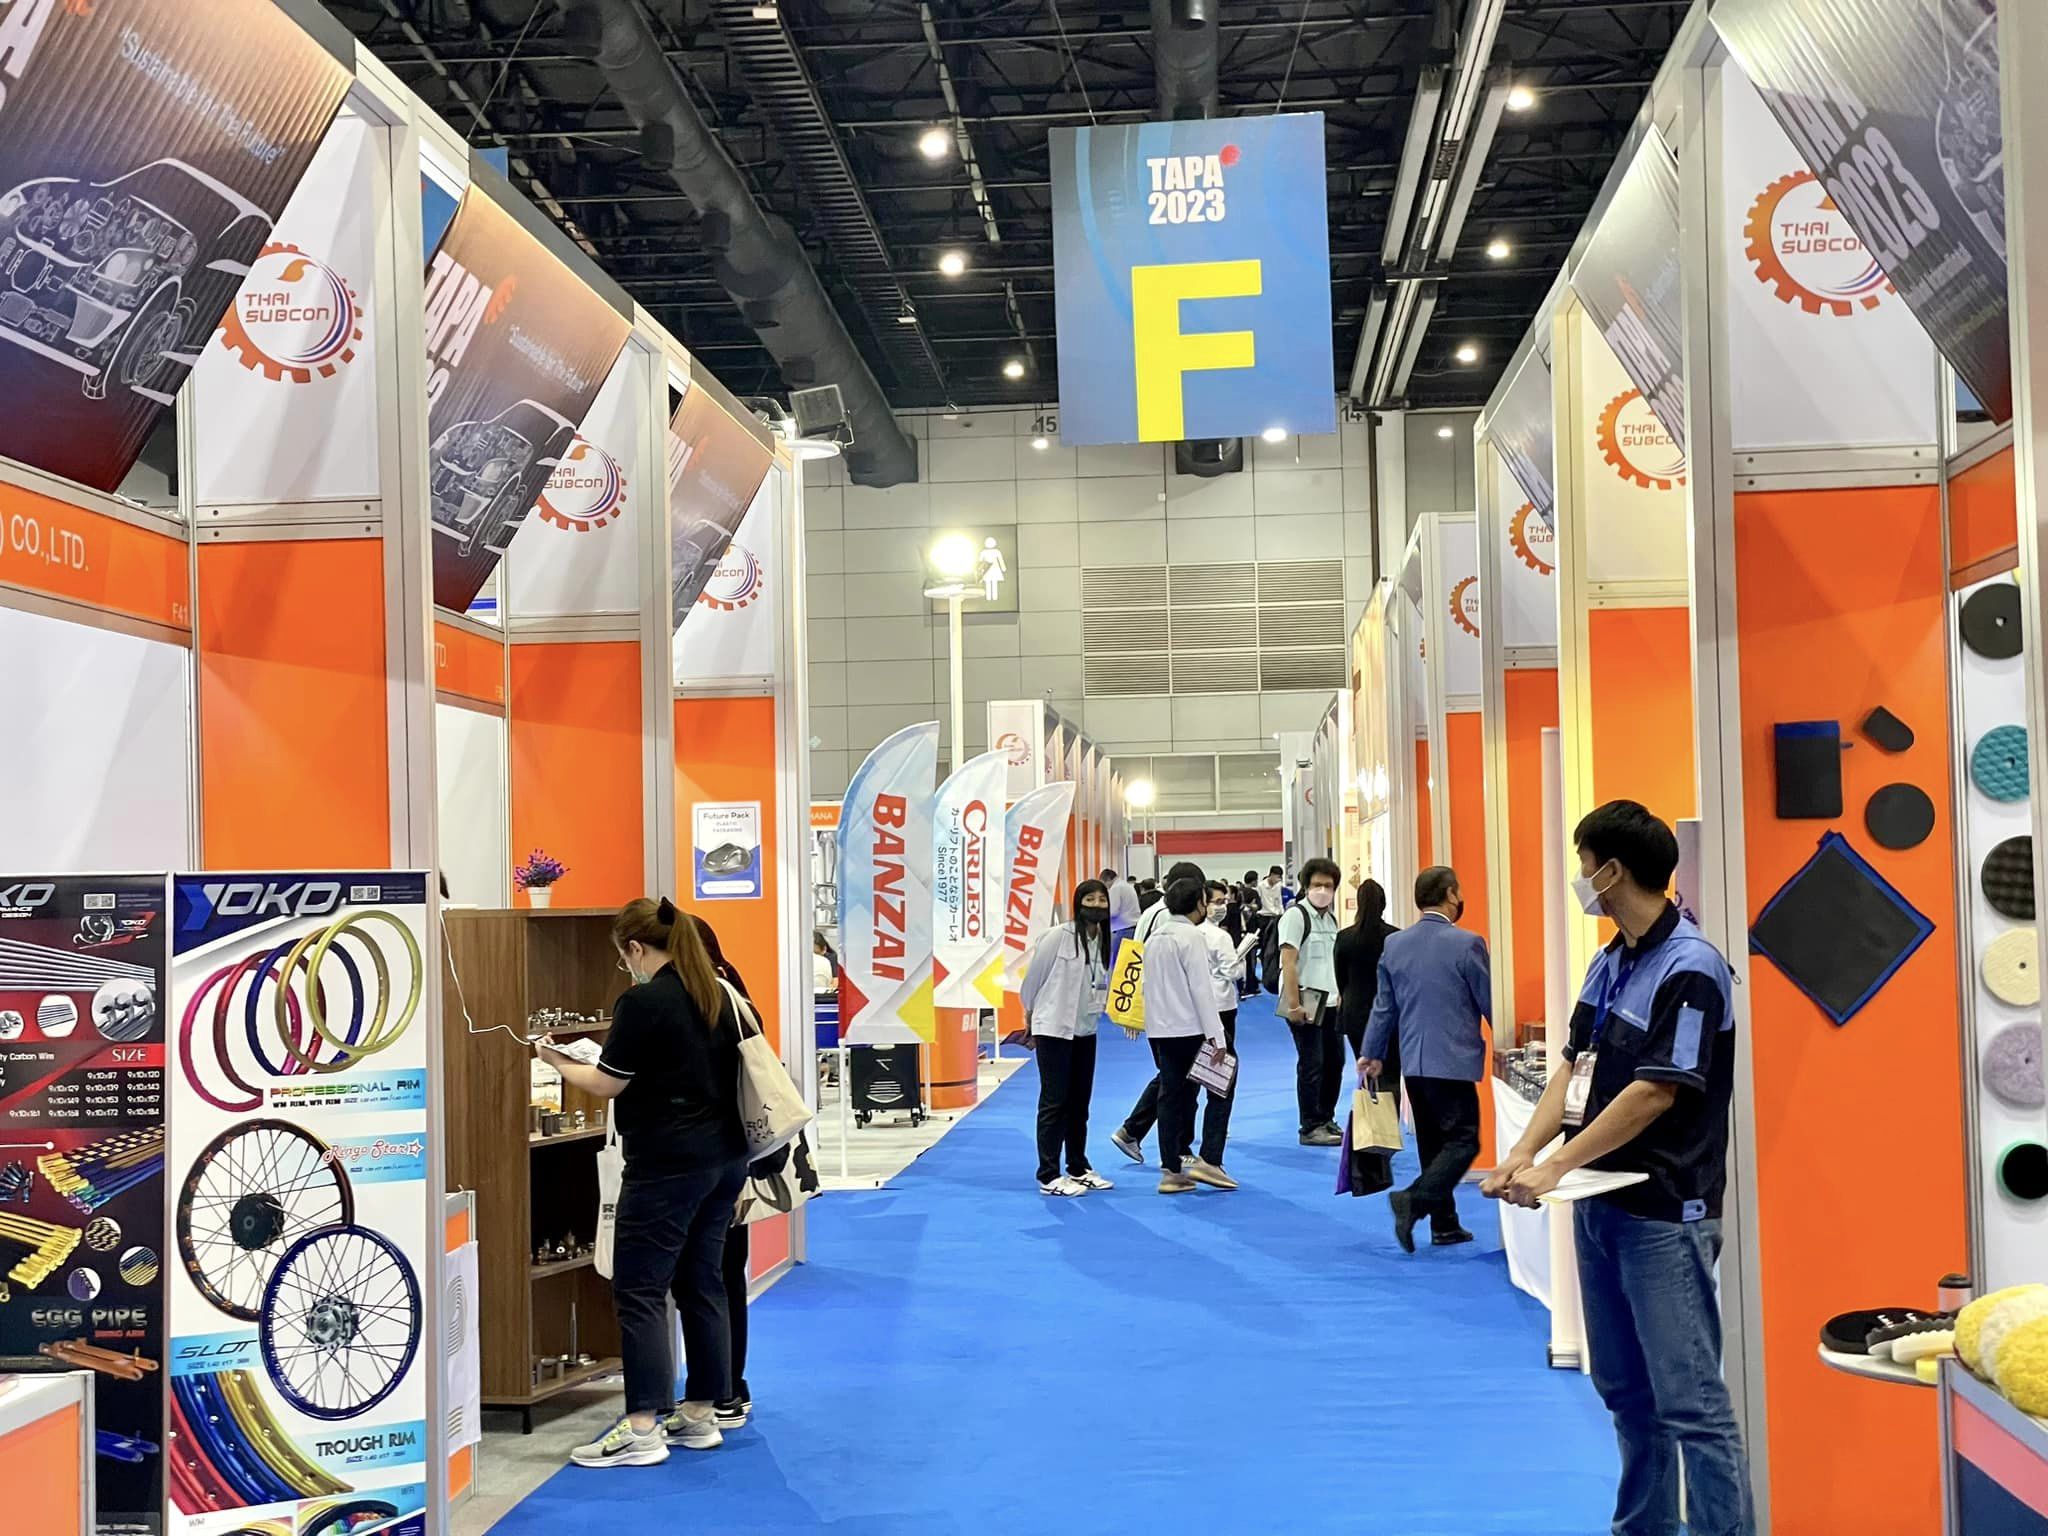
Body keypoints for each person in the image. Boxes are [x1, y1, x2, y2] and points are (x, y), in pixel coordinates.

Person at [1485, 802, 1753, 1536]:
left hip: (1666, 1213)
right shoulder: (1609, 962)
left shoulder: (1692, 968)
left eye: (1583, 864)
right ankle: (1643, 1527)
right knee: (1626, 1394)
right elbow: (1572, 1069)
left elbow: (1655, 1093)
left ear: (1611, 870)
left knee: (1691, 1404)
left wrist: (1555, 1165)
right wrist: (1524, 1153)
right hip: (1600, 1208)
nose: (1579, 879)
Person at [540, 897, 748, 1468]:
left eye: (622, 956)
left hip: (666, 1164)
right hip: (724, 1160)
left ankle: (641, 1429)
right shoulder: (718, 992)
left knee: (640, 1291)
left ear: (635, 948)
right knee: (703, 1283)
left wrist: (556, 1061)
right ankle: (700, 1415)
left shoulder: (644, 1001)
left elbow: (608, 1083)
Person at [1360, 866, 1491, 1252]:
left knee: (1432, 1143)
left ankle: (1445, 1224)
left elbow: (1384, 1006)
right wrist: (1505, 1038)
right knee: (1464, 1141)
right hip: (1452, 1059)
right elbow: (1488, 998)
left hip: (1413, 1059)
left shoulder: (1395, 945)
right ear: (1451, 894)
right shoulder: (1468, 943)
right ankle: (1413, 1201)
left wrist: (1372, 1052)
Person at [686, 914, 767, 1431]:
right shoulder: (734, 995)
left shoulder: (716, 1000)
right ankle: (728, 1387)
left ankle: (723, 1388)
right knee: (723, 1277)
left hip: (720, 1159)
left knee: (714, 1278)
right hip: (734, 1158)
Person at [1110, 879, 1242, 1188]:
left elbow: (1147, 985)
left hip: (1162, 1030)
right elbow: (1201, 989)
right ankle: (1210, 1159)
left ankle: (1171, 1171)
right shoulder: (1192, 936)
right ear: (1198, 903)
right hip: (1192, 1028)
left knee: (1170, 1096)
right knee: (1222, 1085)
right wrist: (1217, 1036)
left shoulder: (1155, 937)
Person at [1019, 879, 1116, 1196]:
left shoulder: (1102, 939)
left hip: (1085, 1029)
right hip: (1053, 1028)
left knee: (1079, 1103)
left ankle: (1077, 1166)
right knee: (1054, 1101)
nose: (1097, 905)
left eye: (1102, 899)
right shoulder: (1058, 937)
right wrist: (1030, 1014)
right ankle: (1048, 1174)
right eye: (1090, 899)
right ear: (1078, 902)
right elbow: (1033, 979)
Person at [1278, 858, 1346, 1146]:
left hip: (1330, 1002)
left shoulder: (1331, 920)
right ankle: (1309, 1126)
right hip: (1305, 1000)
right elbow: (1288, 962)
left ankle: (1325, 1116)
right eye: (1317, 884)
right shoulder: (1296, 916)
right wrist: (1294, 1005)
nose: (1323, 890)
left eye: (1328, 885)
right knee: (1312, 1063)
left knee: (1335, 1062)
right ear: (1306, 886)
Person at [1334, 879, 1399, 1087]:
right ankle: (1389, 1107)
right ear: (1384, 904)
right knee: (1390, 1071)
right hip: (1388, 1011)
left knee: (1364, 1069)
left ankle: (1368, 1106)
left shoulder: (1344, 938)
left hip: (1355, 1010)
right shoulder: (1395, 937)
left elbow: (1340, 978)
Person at [1104, 867, 1140, 944]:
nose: (1106, 887)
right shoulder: (1127, 885)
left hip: (1122, 929)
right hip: (1133, 927)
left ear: (1108, 880)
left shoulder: (1115, 888)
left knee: (1117, 952)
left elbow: (1113, 912)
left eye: (1104, 884)